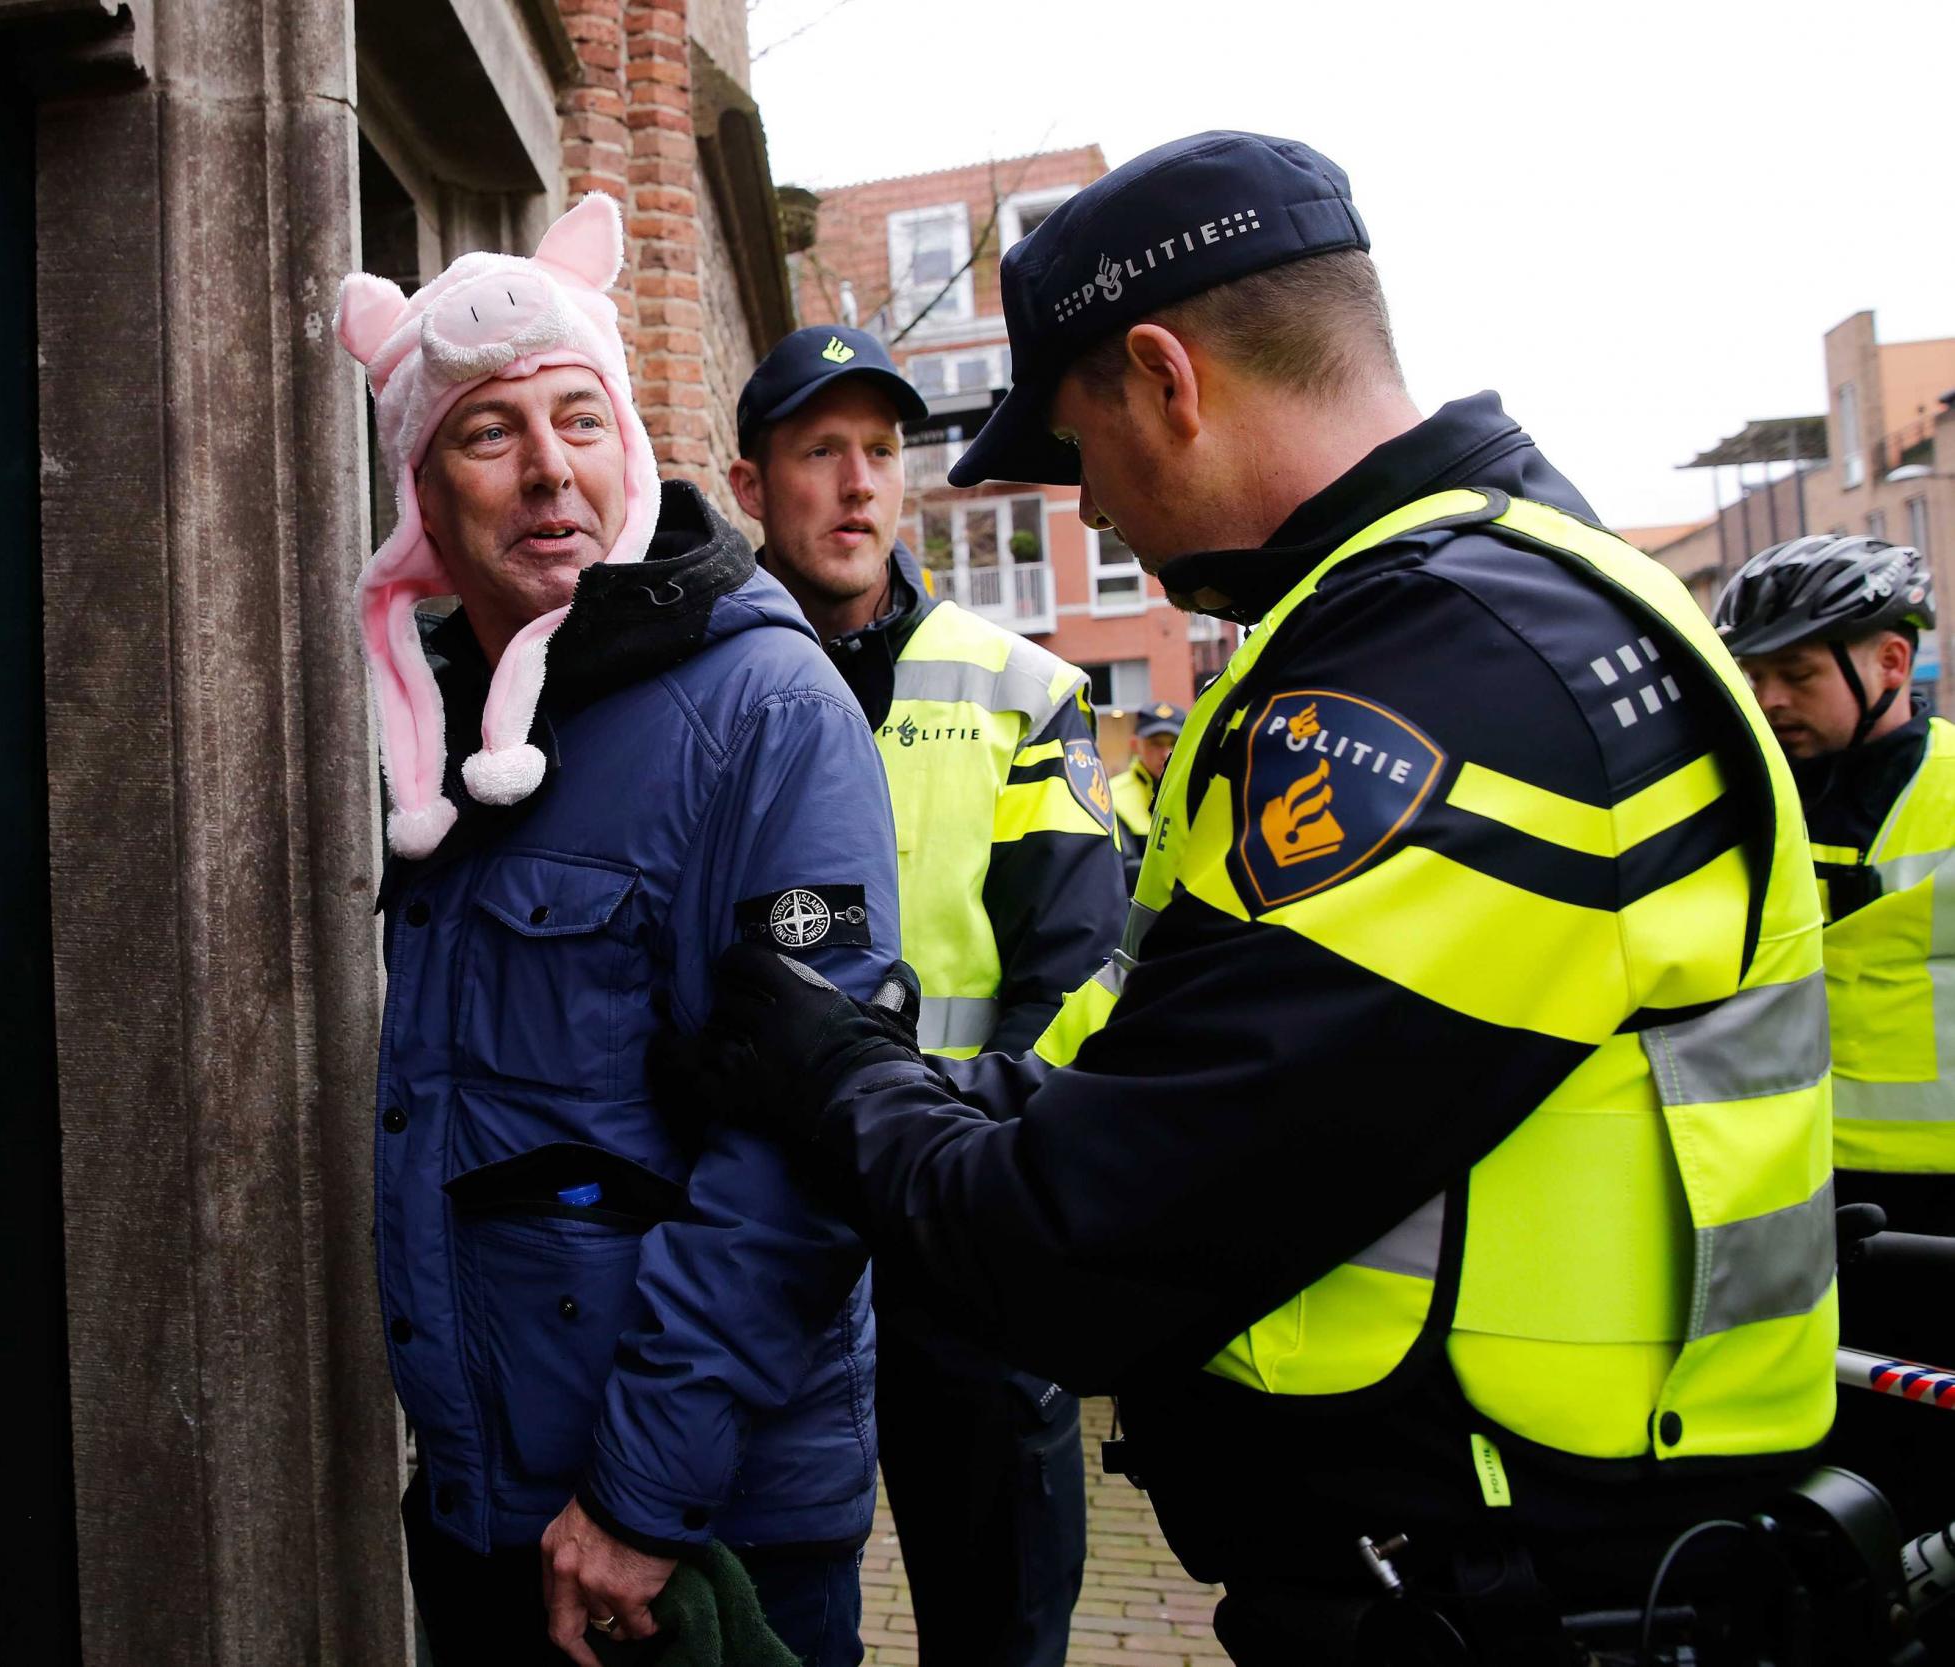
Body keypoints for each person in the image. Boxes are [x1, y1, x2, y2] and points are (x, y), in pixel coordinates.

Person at [655, 132, 1837, 1663]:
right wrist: (916, 1082)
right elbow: (1129, 1057)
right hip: (1474, 1560)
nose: (1089, 516)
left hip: (1531, 1582)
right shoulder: (1425, 624)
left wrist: (837, 1076)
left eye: (1080, 453)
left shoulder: (1460, 672)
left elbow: (1076, 1240)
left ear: (1167, 377)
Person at [337, 195, 896, 1667]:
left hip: (689, 1536)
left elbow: (800, 1151)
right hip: (489, 1503)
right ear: (423, 491)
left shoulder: (767, 712)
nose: (548, 473)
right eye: (488, 434)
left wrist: (640, 1497)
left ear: (634, 448)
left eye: (581, 419)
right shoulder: (433, 732)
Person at [729, 324, 1125, 1667]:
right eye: (819, 450)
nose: (856, 484)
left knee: (1000, 1622)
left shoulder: (1022, 690)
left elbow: (1076, 975)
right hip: (762, 1235)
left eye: (881, 452)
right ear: (749, 486)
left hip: (964, 1223)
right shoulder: (701, 692)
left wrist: (935, 1138)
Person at [1716, 534, 1954, 1550]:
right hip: (1793, 1200)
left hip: (1940, 1212)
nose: (1768, 699)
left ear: (1889, 663)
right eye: (1753, 674)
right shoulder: (1737, 801)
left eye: (1797, 672)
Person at [1114, 698, 1181, 887]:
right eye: (1156, 743)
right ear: (1136, 745)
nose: (1166, 753)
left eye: (1174, 743)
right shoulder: (1112, 795)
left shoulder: (1199, 791)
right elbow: (1121, 872)